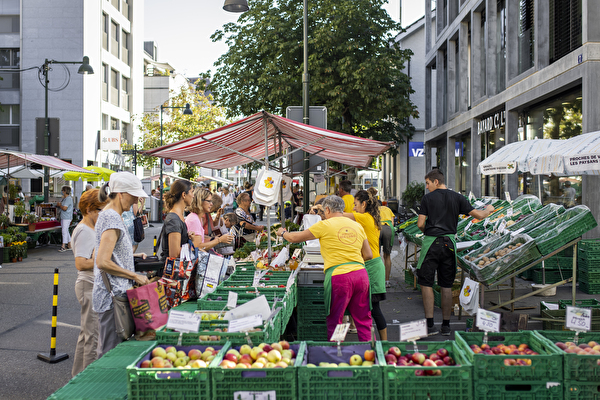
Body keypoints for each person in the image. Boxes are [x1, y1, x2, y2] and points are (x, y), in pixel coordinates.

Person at [276, 195, 373, 341]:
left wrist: (282, 233)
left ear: (327, 209)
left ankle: (337, 354)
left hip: (340, 277)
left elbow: (295, 238)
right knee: (363, 319)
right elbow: (368, 254)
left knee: (336, 319)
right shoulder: (357, 225)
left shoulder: (325, 225)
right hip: (361, 274)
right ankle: (370, 356)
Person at [417, 169, 494, 336]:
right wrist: (489, 209)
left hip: (431, 243)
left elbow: (420, 223)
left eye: (428, 183)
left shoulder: (427, 199)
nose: (427, 187)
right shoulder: (458, 197)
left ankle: (430, 325)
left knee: (426, 283)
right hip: (449, 244)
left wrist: (428, 230)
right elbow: (479, 215)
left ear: (436, 182)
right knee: (446, 285)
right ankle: (446, 325)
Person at [93, 172, 150, 357]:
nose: (135, 201)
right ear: (121, 193)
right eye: (133, 196)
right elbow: (102, 261)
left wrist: (131, 258)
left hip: (115, 296)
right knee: (110, 355)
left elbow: (112, 255)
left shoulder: (112, 215)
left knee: (115, 352)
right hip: (112, 299)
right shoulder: (111, 217)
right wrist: (134, 275)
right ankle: (104, 387)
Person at [70, 189, 108, 377]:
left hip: (92, 284)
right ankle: (88, 381)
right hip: (88, 285)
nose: (101, 214)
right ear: (88, 209)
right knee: (92, 336)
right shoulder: (84, 230)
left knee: (87, 335)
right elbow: (81, 263)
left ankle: (77, 377)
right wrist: (103, 260)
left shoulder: (90, 228)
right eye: (99, 210)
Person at [343, 190, 388, 340]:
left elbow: (339, 216)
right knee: (367, 309)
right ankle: (374, 342)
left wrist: (323, 209)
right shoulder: (369, 218)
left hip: (372, 267)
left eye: (355, 205)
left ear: (363, 204)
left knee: (375, 309)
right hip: (369, 265)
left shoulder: (365, 218)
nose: (354, 208)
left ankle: (384, 343)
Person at [159, 180, 194, 260]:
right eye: (192, 192)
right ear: (184, 195)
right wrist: (192, 247)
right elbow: (174, 254)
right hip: (172, 270)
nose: (193, 196)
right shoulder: (174, 219)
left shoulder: (178, 217)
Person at [379, 203, 395, 288]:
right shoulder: (388, 209)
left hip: (377, 228)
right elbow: (392, 222)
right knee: (387, 256)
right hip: (388, 228)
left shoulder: (373, 209)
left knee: (376, 256)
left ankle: (377, 280)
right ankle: (387, 281)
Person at [57, 185, 73, 252]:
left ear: (65, 191)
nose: (62, 192)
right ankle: (69, 244)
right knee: (66, 231)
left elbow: (64, 208)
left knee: (64, 231)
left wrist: (60, 205)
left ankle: (63, 246)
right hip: (64, 217)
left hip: (66, 217)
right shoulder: (65, 198)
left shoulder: (68, 199)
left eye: (62, 190)